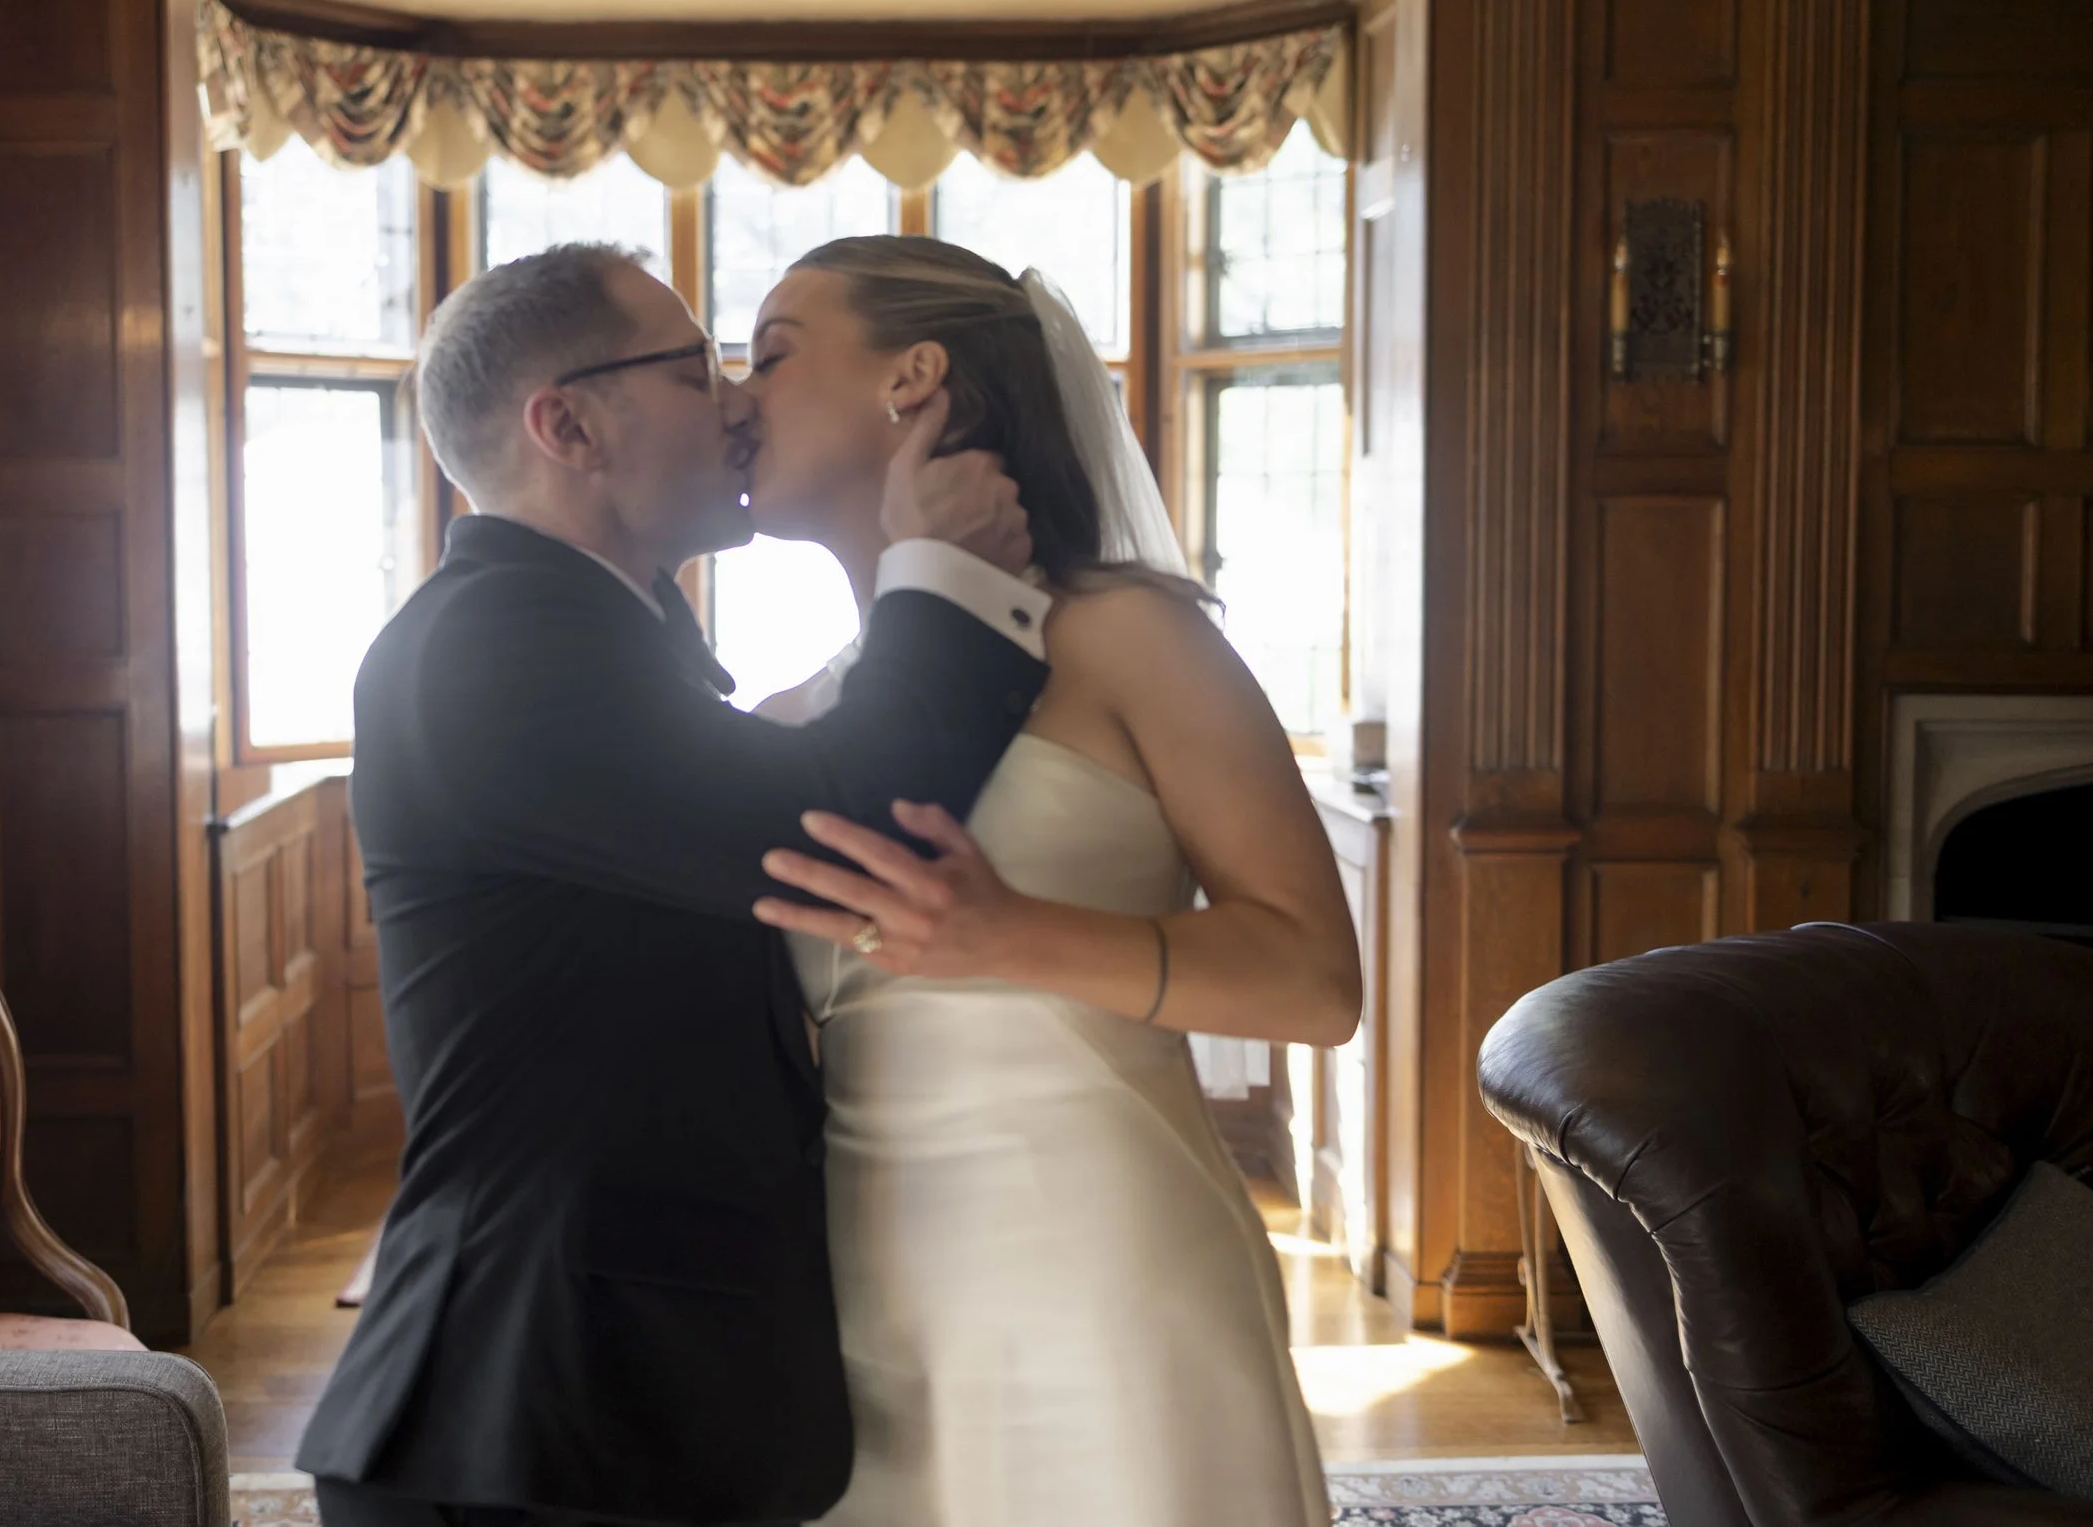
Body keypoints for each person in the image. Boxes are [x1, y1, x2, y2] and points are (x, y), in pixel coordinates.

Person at [302, 243, 1057, 1527]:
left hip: (622, 1397)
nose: (734, 401)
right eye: (696, 363)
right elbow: (843, 834)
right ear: (568, 423)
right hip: (526, 1415)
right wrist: (949, 572)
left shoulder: (608, 634)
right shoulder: (491, 647)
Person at [735, 236, 1363, 1527]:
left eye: (773, 351)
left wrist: (1009, 932)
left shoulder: (1128, 632)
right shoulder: (798, 712)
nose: (737, 396)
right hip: (859, 1296)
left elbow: (1314, 978)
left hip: (1099, 1264)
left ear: (914, 377)